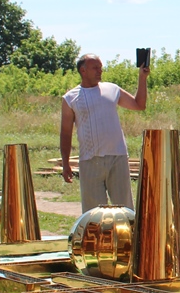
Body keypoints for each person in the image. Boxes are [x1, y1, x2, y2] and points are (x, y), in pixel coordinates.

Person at [60, 53, 148, 212]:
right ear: (83, 70)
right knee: (94, 214)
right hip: (90, 160)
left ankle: (127, 237)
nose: (99, 71)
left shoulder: (112, 89)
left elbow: (138, 104)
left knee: (125, 211)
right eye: (95, 68)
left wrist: (142, 78)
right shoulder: (70, 98)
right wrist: (65, 163)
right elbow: (66, 133)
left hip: (117, 158)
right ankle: (98, 238)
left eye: (100, 68)